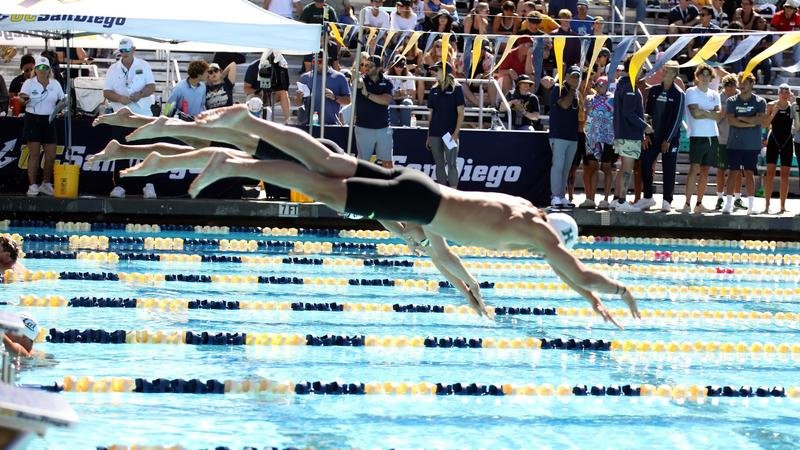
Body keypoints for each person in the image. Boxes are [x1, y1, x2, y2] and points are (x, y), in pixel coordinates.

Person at [114, 105, 641, 328]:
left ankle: (247, 123)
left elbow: (444, 254)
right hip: (419, 205)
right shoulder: (538, 235)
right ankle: (231, 161)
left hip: (420, 190)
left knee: (324, 159)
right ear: (556, 235)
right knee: (317, 185)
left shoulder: (522, 210)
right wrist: (615, 290)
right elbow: (574, 271)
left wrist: (469, 290)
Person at [102, 37, 157, 199]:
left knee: (146, 151)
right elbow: (106, 92)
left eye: (127, 50)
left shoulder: (144, 65)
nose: (124, 53)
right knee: (120, 151)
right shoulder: (113, 69)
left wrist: (140, 94)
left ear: (133, 49)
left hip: (142, 115)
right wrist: (120, 98)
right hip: (122, 116)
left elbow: (152, 87)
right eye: (122, 51)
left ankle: (148, 184)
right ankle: (120, 185)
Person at [639, 60, 684, 212]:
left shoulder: (679, 94)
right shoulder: (654, 90)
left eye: (668, 71)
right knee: (645, 163)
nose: (664, 72)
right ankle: (648, 197)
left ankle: (667, 200)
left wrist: (668, 140)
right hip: (653, 136)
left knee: (669, 168)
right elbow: (647, 114)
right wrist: (646, 134)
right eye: (664, 70)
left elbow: (678, 119)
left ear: (675, 75)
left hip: (669, 139)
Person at [19, 56, 66, 198]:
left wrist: (63, 104)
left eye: (45, 68)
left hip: (49, 119)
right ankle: (32, 185)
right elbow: (21, 99)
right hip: (33, 119)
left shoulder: (55, 83)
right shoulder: (29, 83)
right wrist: (23, 100)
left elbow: (62, 99)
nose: (42, 70)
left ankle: (46, 183)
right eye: (39, 67)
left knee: (51, 155)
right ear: (35, 69)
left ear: (49, 70)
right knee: (34, 154)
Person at [722, 73, 765, 215]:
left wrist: (741, 118)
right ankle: (728, 204)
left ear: (752, 84)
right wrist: (749, 122)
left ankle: (751, 205)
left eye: (745, 82)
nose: (741, 84)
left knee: (749, 173)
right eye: (740, 81)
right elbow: (731, 120)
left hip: (752, 144)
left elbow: (759, 121)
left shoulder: (760, 101)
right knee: (733, 172)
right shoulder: (732, 101)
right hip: (734, 143)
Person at [611, 57, 649, 213]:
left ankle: (616, 199)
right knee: (627, 168)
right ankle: (621, 201)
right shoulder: (630, 87)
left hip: (622, 132)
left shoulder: (622, 84)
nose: (643, 71)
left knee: (623, 169)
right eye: (641, 67)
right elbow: (628, 112)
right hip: (629, 134)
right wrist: (645, 126)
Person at [683, 64, 722, 214]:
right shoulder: (691, 91)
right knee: (694, 169)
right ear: (697, 76)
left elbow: (718, 116)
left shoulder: (715, 94)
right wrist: (710, 112)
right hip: (697, 136)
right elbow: (694, 114)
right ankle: (687, 203)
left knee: (705, 171)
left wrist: (703, 111)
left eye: (708, 75)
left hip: (712, 136)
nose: (705, 77)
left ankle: (699, 203)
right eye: (702, 74)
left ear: (711, 77)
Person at [426, 62, 465, 188]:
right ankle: (443, 194)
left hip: (450, 134)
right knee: (439, 164)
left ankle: (453, 194)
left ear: (444, 72)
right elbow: (431, 115)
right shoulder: (433, 89)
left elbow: (461, 113)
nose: (434, 73)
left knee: (452, 164)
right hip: (435, 133)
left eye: (436, 70)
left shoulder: (457, 88)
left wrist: (455, 133)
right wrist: (428, 135)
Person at [549, 65, 581, 209]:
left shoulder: (576, 92)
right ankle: (555, 196)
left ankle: (562, 196)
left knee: (566, 168)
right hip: (559, 135)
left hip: (572, 136)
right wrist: (574, 89)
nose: (576, 79)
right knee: (558, 166)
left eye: (578, 76)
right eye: (573, 76)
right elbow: (564, 105)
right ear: (566, 76)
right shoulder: (558, 88)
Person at [354, 55, 394, 168]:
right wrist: (354, 76)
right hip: (363, 127)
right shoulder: (361, 80)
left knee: (388, 163)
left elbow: (386, 100)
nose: (366, 68)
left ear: (379, 68)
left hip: (383, 128)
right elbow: (356, 80)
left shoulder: (387, 82)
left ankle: (389, 185)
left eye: (370, 66)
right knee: (362, 163)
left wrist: (367, 94)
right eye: (365, 65)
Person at [582, 76, 615, 209]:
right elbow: (586, 114)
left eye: (603, 84)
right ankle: (591, 198)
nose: (600, 87)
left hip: (608, 137)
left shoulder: (613, 99)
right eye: (598, 84)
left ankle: (606, 199)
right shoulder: (589, 99)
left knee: (606, 167)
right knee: (593, 167)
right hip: (592, 137)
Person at [762, 83, 795, 214]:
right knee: (770, 174)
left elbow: (797, 123)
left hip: (787, 141)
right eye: (782, 92)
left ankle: (782, 206)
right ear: (778, 93)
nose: (784, 94)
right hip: (774, 141)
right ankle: (766, 205)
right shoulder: (771, 105)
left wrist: (795, 106)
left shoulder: (792, 107)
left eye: (787, 92)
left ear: (789, 94)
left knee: (785, 175)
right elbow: (765, 124)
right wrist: (773, 113)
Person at [295, 52, 351, 126]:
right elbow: (299, 104)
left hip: (331, 124)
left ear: (326, 61)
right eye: (314, 61)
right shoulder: (305, 78)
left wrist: (334, 97)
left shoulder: (339, 77)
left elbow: (348, 101)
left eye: (319, 61)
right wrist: (298, 99)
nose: (316, 64)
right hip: (308, 124)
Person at [715, 74, 742, 211]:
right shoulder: (718, 98)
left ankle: (737, 198)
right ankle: (720, 197)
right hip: (722, 139)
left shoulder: (742, 97)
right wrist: (722, 115)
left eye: (733, 85)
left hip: (738, 140)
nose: (730, 88)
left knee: (737, 170)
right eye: (727, 85)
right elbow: (714, 120)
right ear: (724, 86)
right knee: (721, 169)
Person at [244, 51, 292, 123]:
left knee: (283, 92)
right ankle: (250, 120)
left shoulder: (280, 67)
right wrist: (258, 91)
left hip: (272, 95)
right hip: (257, 95)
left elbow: (284, 87)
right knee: (251, 97)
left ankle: (288, 120)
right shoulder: (253, 67)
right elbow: (246, 88)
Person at [388, 54, 417, 127]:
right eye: (396, 65)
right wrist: (393, 94)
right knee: (390, 102)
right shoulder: (387, 75)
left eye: (401, 66)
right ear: (393, 65)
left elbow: (412, 91)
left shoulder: (408, 75)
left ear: (404, 66)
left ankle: (405, 126)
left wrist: (404, 92)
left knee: (407, 102)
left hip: (404, 98)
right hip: (391, 98)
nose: (398, 68)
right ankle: (392, 126)